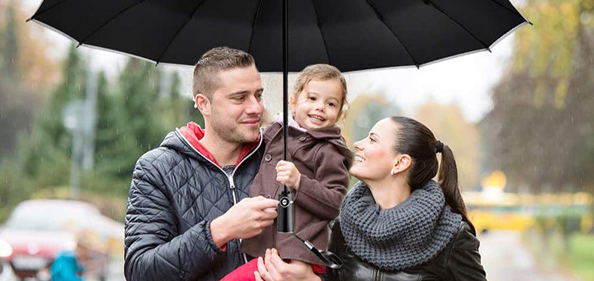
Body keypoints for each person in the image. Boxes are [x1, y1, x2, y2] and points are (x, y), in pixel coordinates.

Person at [124, 47, 317, 281]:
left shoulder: (287, 161)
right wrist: (219, 231)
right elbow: (140, 271)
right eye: (240, 98)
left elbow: (333, 254)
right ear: (203, 103)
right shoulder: (157, 169)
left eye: (258, 95)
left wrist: (311, 279)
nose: (256, 108)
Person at [223, 64, 353, 281]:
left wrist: (300, 182)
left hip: (297, 253)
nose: (320, 107)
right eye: (312, 98)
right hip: (269, 247)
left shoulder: (329, 150)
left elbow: (334, 203)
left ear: (339, 113)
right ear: (293, 102)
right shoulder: (278, 132)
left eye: (331, 103)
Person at [322, 116, 488, 281]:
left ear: (400, 163)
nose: (358, 144)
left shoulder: (452, 235)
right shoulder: (344, 224)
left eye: (372, 140)